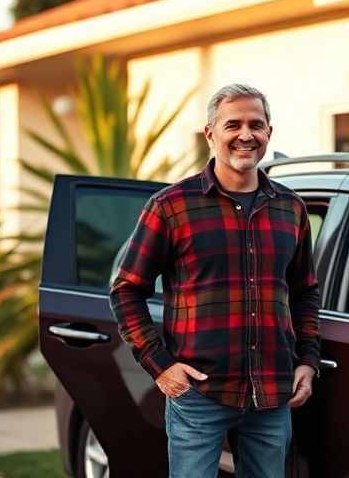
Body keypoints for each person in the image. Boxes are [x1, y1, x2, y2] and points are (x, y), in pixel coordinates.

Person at [109, 83, 321, 478]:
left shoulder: (291, 209)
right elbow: (126, 291)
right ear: (211, 134)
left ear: (269, 133)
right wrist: (161, 365)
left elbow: (305, 291)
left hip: (272, 396)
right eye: (233, 124)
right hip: (199, 394)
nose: (246, 135)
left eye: (256, 125)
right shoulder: (171, 207)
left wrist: (308, 361)